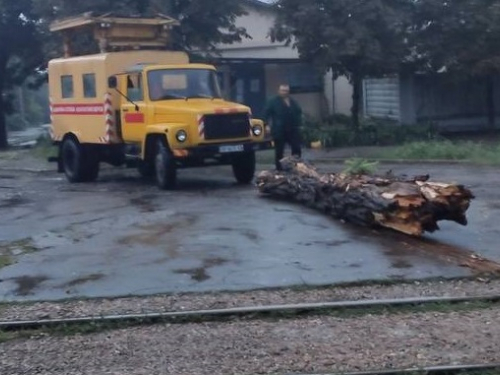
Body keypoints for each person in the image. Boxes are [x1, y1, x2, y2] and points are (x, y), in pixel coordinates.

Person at [264, 84, 303, 170]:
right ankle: (279, 168)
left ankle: (296, 166)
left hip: (292, 129)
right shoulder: (273, 101)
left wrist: (299, 124)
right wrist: (266, 125)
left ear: (288, 92)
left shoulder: (292, 102)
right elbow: (266, 113)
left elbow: (298, 112)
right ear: (279, 91)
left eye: (286, 91)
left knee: (296, 147)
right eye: (283, 90)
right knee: (279, 151)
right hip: (279, 130)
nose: (284, 92)